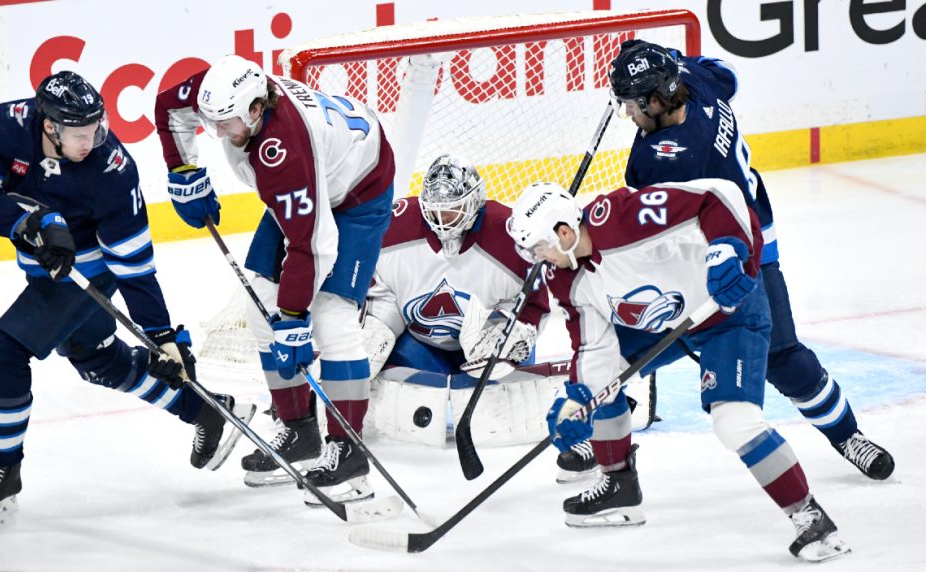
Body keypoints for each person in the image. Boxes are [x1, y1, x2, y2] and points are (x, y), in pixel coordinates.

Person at [0, 72, 254, 534]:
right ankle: (205, 409)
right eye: (79, 133)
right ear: (48, 126)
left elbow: (133, 264)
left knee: (2, 355)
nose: (92, 140)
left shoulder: (111, 170)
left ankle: (2, 472)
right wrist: (32, 223)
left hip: (86, 270)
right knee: (95, 358)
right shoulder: (5, 127)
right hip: (46, 267)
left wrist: (161, 336)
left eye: (97, 127)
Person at [507, 180, 850, 562]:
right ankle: (619, 485)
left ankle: (811, 519)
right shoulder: (565, 276)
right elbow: (594, 351)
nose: (539, 258)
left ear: (565, 232)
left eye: (540, 247)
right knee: (598, 383)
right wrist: (581, 401)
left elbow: (718, 196)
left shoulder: (623, 219)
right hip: (664, 324)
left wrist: (728, 250)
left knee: (734, 422)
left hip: (727, 315)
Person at [606, 40, 893, 480]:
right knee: (616, 347)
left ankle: (847, 435)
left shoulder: (664, 157)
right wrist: (662, 57)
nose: (628, 115)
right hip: (736, 232)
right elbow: (727, 76)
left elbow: (643, 209)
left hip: (733, 252)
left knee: (777, 356)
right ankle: (609, 431)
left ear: (657, 101)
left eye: (632, 105)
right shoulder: (695, 80)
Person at [154, 55, 394, 504]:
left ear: (255, 109)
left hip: (359, 192)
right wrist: (183, 170)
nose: (218, 133)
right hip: (311, 182)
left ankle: (349, 453)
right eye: (213, 122)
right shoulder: (224, 95)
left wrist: (294, 318)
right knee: (260, 305)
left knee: (331, 317)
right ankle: (300, 431)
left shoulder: (284, 150)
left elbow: (313, 245)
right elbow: (168, 108)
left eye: (225, 123)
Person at [360, 154, 554, 447]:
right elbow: (382, 291)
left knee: (504, 379)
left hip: (484, 350)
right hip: (423, 345)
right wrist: (378, 326)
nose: (442, 221)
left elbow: (534, 304)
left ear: (476, 200)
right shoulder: (394, 226)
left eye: (453, 210)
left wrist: (504, 329)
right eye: (435, 212)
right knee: (374, 354)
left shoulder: (510, 235)